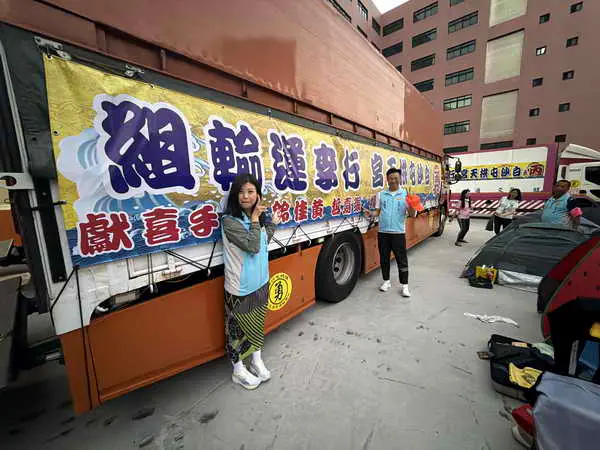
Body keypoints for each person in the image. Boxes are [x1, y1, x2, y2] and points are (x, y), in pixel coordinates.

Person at [221, 173, 281, 390]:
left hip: (261, 282)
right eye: (241, 192)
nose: (245, 196)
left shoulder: (258, 219)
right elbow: (252, 246)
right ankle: (238, 370)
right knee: (236, 332)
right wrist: (256, 218)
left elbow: (263, 241)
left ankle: (256, 361)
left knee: (257, 325)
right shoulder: (229, 221)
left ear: (258, 195)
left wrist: (271, 224)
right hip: (240, 288)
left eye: (250, 192)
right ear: (234, 196)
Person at [364, 168, 416, 297]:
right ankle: (386, 281)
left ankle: (405, 286)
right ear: (387, 179)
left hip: (398, 233)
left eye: (395, 178)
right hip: (383, 232)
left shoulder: (406, 194)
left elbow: (412, 214)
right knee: (384, 259)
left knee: (401, 260)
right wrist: (371, 213)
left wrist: (412, 204)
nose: (393, 180)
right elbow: (378, 211)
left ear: (400, 179)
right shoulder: (381, 194)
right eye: (391, 178)